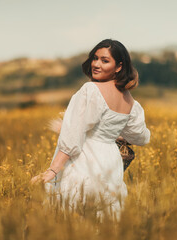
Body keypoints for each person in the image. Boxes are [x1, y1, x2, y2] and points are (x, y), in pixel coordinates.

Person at [31, 39, 151, 221]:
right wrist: (110, 134)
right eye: (95, 58)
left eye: (104, 60)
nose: (96, 64)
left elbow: (73, 137)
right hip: (111, 163)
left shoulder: (91, 90)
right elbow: (141, 137)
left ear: (118, 67)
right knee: (103, 218)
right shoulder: (131, 102)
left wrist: (53, 171)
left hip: (84, 159)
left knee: (74, 217)